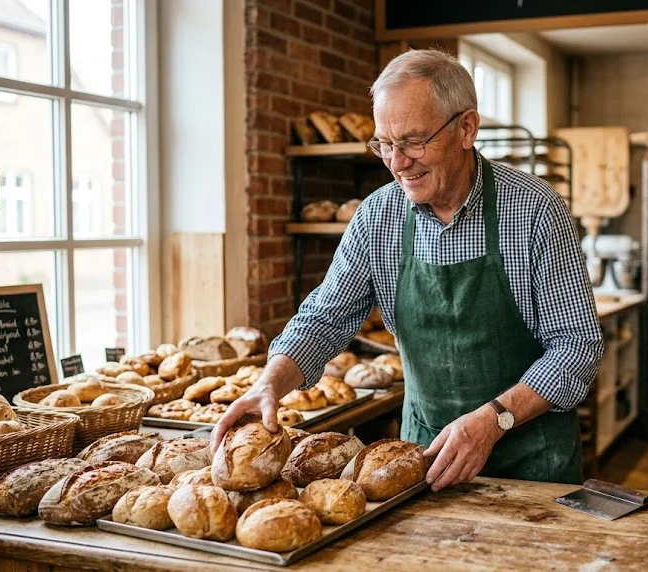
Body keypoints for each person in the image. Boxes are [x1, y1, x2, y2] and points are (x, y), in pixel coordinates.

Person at [212, 49, 603, 490]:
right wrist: (270, 384)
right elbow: (325, 318)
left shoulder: (534, 209)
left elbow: (576, 346)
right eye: (384, 144)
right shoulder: (377, 217)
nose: (397, 163)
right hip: (424, 459)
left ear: (466, 128)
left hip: (534, 467)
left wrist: (494, 420)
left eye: (413, 141)